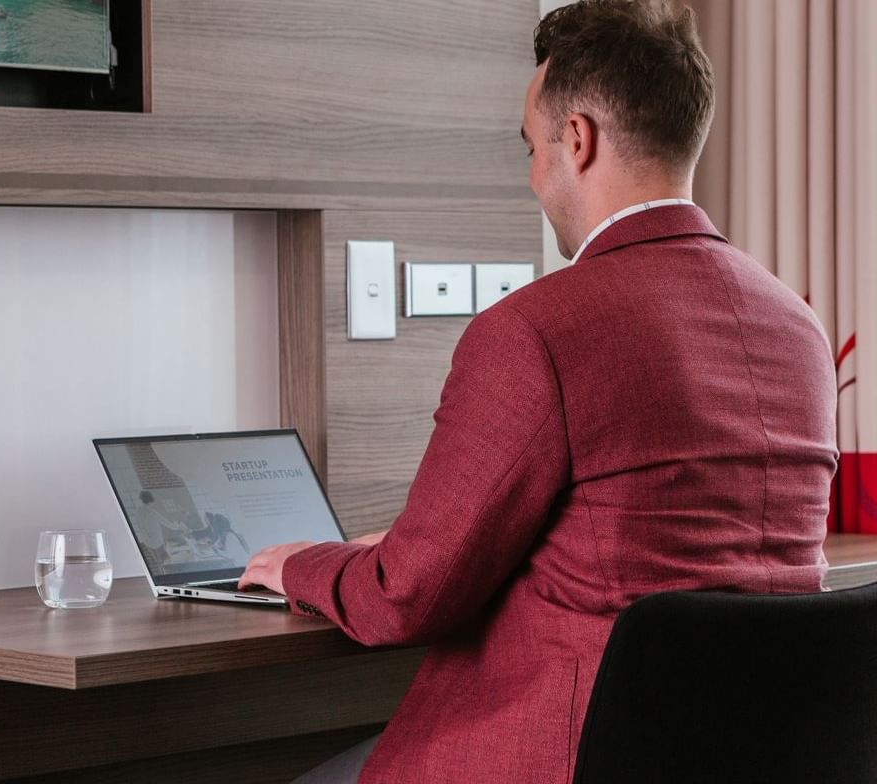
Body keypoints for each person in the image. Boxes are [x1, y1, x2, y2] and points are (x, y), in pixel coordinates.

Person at [240, 2, 838, 781]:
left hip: (565, 758)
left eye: (531, 147)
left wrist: (299, 564)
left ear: (578, 140)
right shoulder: (798, 327)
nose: (531, 174)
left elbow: (404, 597)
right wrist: (422, 541)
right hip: (755, 754)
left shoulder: (535, 332)